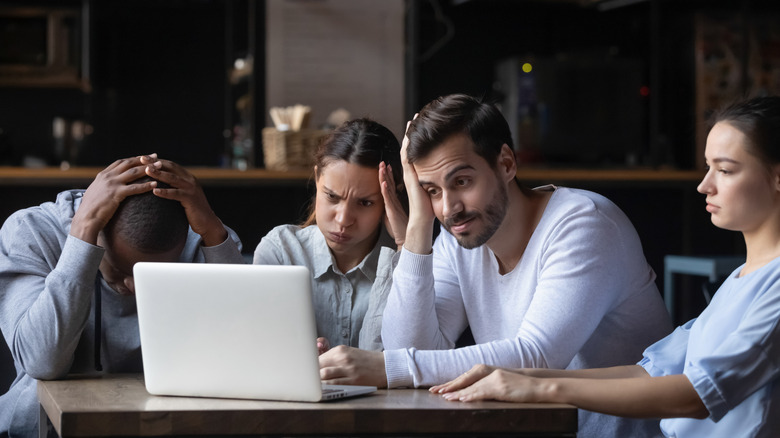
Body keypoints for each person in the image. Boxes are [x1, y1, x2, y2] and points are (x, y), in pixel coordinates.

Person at [318, 94, 673, 437]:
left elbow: (536, 357)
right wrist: (417, 227)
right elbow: (413, 347)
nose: (449, 209)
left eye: (461, 182)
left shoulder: (583, 224)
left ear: (506, 163)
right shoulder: (459, 240)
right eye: (431, 191)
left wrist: (386, 368)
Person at [431, 95, 780, 438]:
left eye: (725, 170)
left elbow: (697, 394)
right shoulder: (740, 280)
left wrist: (544, 390)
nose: (705, 185)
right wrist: (523, 378)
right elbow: (649, 373)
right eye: (707, 168)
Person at [0, 154, 244, 438]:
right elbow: (42, 361)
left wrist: (214, 233)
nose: (135, 288)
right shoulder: (31, 232)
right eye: (120, 271)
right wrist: (82, 234)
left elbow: (243, 352)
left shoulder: (206, 238)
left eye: (151, 274)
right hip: (43, 429)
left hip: (168, 426)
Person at [253, 118, 407, 352]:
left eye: (365, 202)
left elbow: (389, 358)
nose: (344, 220)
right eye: (332, 197)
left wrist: (406, 246)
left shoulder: (409, 262)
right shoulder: (282, 252)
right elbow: (260, 351)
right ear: (317, 180)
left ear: (391, 198)